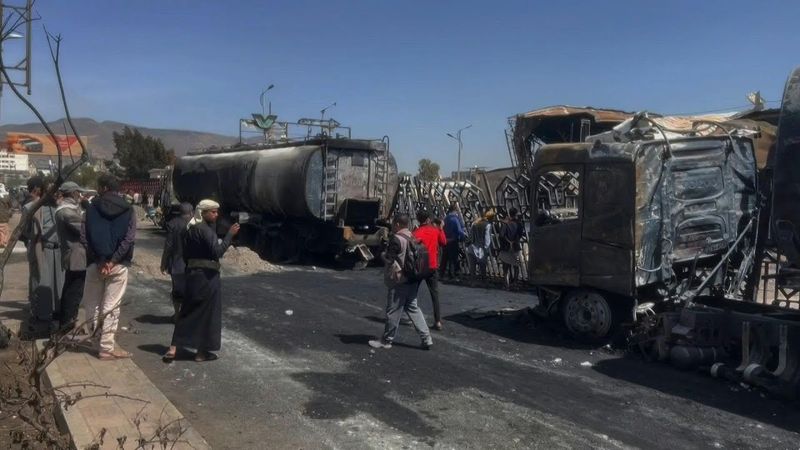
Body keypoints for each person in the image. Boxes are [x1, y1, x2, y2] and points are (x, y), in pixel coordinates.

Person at [163, 199, 240, 363]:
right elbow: (217, 252)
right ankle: (201, 353)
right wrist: (230, 235)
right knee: (208, 314)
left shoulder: (189, 229)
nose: (216, 215)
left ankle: (173, 348)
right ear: (203, 213)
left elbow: (184, 254)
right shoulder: (206, 231)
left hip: (192, 275)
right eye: (213, 212)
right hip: (208, 277)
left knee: (186, 311)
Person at [82, 174, 136, 360]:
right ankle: (106, 348)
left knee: (92, 305)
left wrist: (100, 260)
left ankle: (95, 341)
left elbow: (84, 236)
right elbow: (129, 238)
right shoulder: (128, 209)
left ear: (103, 188)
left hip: (95, 264)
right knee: (111, 306)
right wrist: (112, 261)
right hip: (118, 265)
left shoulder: (90, 208)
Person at [369, 214, 433, 350]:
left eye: (393, 224)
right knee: (413, 308)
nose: (392, 226)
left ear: (397, 224)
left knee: (393, 310)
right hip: (413, 279)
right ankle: (426, 338)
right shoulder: (412, 236)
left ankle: (386, 340)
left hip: (400, 280)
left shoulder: (396, 239)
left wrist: (382, 254)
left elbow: (389, 260)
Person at [23, 177, 64, 332]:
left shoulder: (60, 208)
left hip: (58, 251)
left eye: (57, 190)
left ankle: (56, 313)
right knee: (40, 282)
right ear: (43, 190)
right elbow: (25, 232)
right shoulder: (30, 208)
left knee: (58, 284)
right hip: (41, 250)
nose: (55, 193)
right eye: (51, 190)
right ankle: (39, 315)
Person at [55, 181, 88, 332]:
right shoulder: (67, 212)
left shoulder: (67, 209)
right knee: (74, 293)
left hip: (73, 255)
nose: (79, 195)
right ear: (73, 193)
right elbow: (84, 229)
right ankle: (67, 325)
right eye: (78, 192)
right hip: (76, 256)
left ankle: (68, 323)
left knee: (70, 290)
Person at [412, 211, 446, 330]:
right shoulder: (435, 230)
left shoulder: (416, 232)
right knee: (434, 295)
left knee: (412, 294)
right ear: (427, 220)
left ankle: (412, 318)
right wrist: (441, 228)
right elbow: (443, 242)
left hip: (419, 267)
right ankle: (438, 321)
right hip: (432, 266)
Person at [160, 202, 193, 321]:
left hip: (177, 264)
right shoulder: (195, 224)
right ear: (191, 212)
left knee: (177, 290)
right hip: (193, 264)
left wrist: (163, 263)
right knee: (191, 290)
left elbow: (168, 246)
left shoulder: (173, 224)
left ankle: (177, 314)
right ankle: (188, 315)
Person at [499, 207, 525, 289]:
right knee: (516, 266)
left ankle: (506, 284)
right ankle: (515, 283)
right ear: (516, 214)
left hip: (506, 248)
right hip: (516, 247)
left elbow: (501, 235)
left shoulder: (505, 224)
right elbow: (520, 234)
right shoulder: (519, 224)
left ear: (509, 214)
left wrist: (508, 241)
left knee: (506, 267)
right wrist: (514, 241)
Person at [467, 210, 495, 281]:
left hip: (472, 247)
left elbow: (470, 236)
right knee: (482, 266)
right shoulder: (488, 225)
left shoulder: (474, 223)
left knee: (472, 267)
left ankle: (473, 281)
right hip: (481, 248)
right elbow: (487, 240)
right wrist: (486, 249)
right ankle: (483, 281)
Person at [441, 203, 466, 281]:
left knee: (445, 258)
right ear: (455, 210)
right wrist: (464, 237)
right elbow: (459, 230)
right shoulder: (455, 219)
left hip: (446, 240)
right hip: (453, 240)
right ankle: (453, 275)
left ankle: (442, 274)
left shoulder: (445, 218)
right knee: (453, 258)